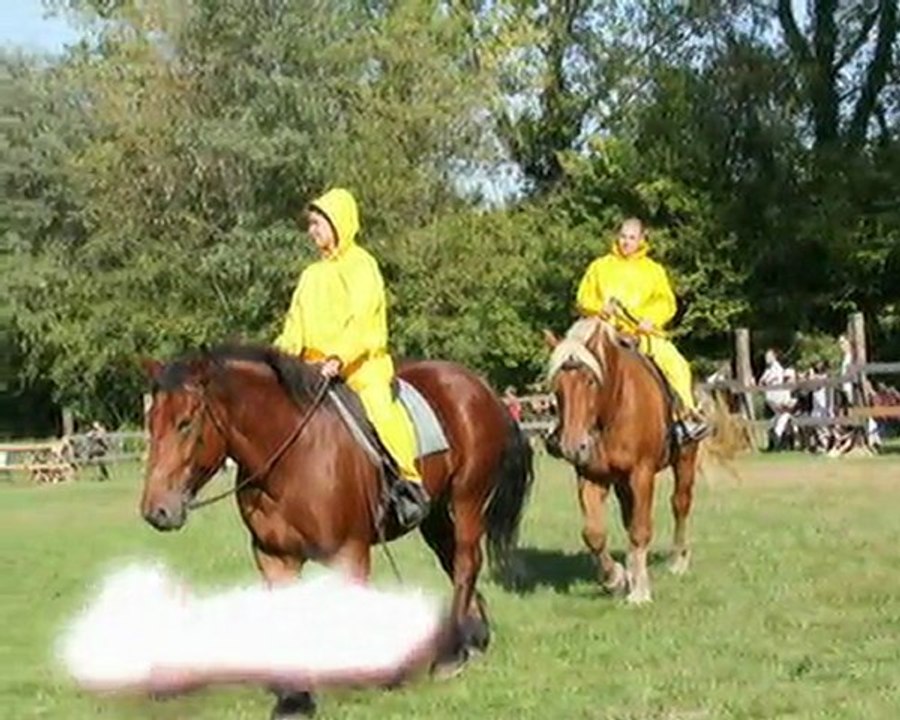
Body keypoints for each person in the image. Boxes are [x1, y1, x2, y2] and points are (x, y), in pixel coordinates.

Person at [274, 188, 429, 529]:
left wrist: (338, 359)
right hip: (312, 370)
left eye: (317, 223)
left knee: (378, 410)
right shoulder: (310, 276)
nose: (312, 231)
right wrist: (278, 360)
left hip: (361, 368)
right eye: (311, 224)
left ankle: (407, 482)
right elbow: (294, 327)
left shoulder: (363, 266)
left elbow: (363, 323)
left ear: (338, 223)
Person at [575, 218, 709, 444]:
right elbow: (583, 297)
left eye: (632, 238)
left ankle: (686, 417)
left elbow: (666, 303)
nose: (626, 242)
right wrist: (599, 309)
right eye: (623, 236)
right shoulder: (599, 267)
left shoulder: (654, 271)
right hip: (604, 331)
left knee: (675, 364)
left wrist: (651, 320)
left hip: (642, 335)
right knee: (571, 362)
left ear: (641, 240)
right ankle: (564, 423)